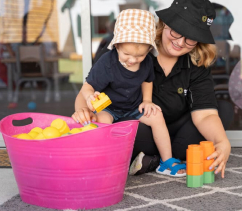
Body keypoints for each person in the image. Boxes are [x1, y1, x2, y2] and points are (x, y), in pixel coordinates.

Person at [72, 0, 232, 178]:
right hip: (133, 124)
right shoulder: (126, 49)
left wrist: (222, 142)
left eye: (191, 38)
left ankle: (155, 159)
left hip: (171, 126)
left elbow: (205, 114)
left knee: (223, 111)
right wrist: (85, 111)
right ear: (164, 24)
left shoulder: (196, 63)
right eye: (176, 31)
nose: (180, 42)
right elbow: (89, 88)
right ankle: (155, 157)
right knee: (128, 130)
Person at [73, 9, 186, 177]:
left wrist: (147, 100)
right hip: (108, 108)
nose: (133, 60)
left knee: (156, 115)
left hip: (132, 107)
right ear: (117, 45)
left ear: (148, 50)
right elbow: (87, 87)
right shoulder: (107, 62)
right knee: (101, 124)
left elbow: (148, 80)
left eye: (139, 55)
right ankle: (101, 161)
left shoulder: (147, 61)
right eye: (126, 54)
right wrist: (90, 98)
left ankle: (166, 161)